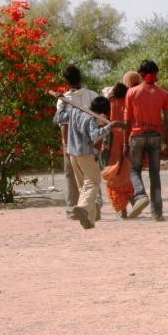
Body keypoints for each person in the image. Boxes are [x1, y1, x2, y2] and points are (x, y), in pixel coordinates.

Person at [54, 79, 121, 229]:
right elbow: (95, 135)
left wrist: (63, 103)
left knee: (84, 186)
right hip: (85, 154)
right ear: (101, 112)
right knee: (93, 182)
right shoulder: (91, 117)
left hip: (72, 154)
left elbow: (58, 118)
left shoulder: (74, 111)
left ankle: (89, 220)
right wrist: (110, 126)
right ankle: (83, 208)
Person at [125, 59, 168, 220]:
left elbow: (127, 120)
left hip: (137, 135)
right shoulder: (163, 93)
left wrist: (125, 143)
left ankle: (140, 195)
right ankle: (157, 212)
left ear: (140, 74)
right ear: (156, 73)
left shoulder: (132, 92)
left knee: (134, 169)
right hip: (155, 136)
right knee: (155, 174)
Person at [53, 65, 99, 219]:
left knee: (72, 176)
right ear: (80, 78)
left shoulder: (63, 100)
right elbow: (100, 120)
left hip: (72, 144)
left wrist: (66, 145)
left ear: (66, 81)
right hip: (90, 141)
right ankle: (92, 206)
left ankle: (74, 208)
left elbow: (64, 124)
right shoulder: (92, 95)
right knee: (92, 175)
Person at [102, 78, 136, 217]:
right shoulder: (129, 101)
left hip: (112, 141)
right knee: (127, 174)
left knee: (114, 174)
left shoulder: (110, 101)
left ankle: (122, 209)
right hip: (127, 139)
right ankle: (135, 203)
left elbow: (104, 120)